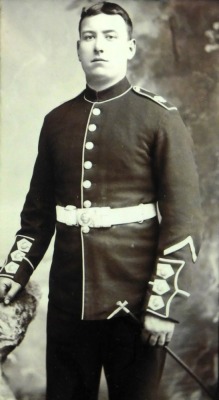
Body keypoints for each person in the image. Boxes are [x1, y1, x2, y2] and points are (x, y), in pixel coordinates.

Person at [0, 2, 203, 399]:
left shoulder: (160, 118)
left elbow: (184, 221)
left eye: (110, 37)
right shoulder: (56, 122)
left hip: (136, 308)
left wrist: (162, 306)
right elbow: (37, 218)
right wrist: (13, 272)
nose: (99, 46)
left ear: (129, 48)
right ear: (77, 48)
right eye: (90, 37)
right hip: (68, 306)